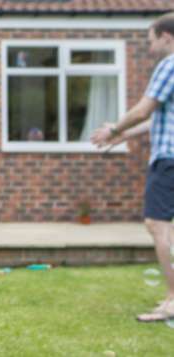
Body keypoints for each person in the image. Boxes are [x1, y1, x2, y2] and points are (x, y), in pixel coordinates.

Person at [91, 12, 174, 322]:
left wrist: (113, 131)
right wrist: (122, 134)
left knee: (157, 224)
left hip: (168, 158)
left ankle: (173, 298)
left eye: (151, 41)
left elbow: (144, 110)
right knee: (163, 227)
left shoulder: (169, 65)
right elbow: (159, 117)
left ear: (167, 37)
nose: (149, 48)